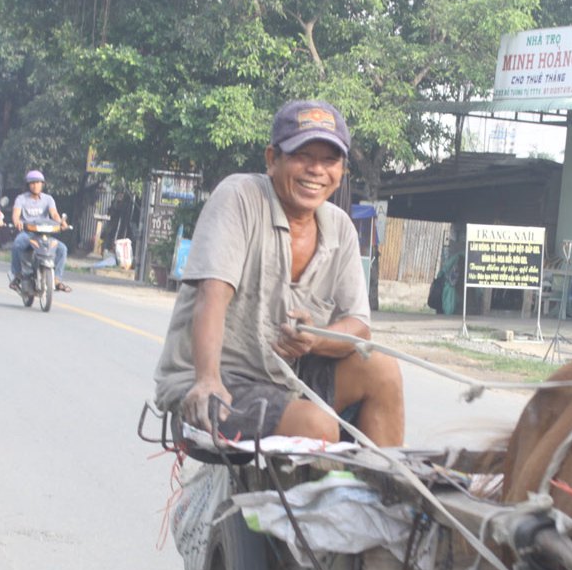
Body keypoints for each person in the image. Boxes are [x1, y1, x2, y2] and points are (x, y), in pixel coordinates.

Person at [152, 100, 404, 446]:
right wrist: (207, 380)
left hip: (290, 380)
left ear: (342, 170)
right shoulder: (240, 197)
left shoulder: (341, 227)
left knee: (381, 368)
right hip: (223, 381)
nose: (316, 170)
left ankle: (385, 492)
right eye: (303, 156)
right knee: (315, 427)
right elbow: (212, 296)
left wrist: (315, 338)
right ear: (272, 159)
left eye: (329, 160)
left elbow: (358, 327)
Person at [8, 169, 71, 292]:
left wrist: (61, 223)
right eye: (32, 183)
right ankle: (17, 276)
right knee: (17, 245)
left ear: (42, 184)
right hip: (28, 234)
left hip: (45, 235)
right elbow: (16, 214)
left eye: (38, 182)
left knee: (62, 249)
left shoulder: (48, 199)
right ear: (28, 185)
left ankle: (57, 279)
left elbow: (54, 214)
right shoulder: (21, 199)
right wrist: (17, 221)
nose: (35, 185)